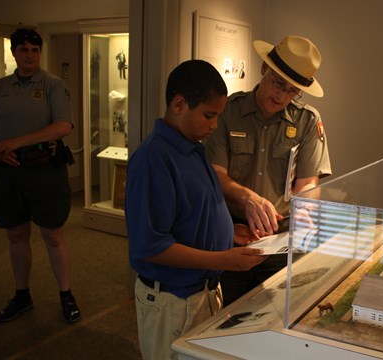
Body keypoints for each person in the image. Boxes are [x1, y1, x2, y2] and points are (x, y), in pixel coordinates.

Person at [125, 59, 266, 360]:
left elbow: (194, 213)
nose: (214, 126)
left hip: (202, 291)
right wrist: (223, 258)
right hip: (173, 299)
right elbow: (150, 246)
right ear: (178, 104)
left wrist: (228, 233)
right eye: (208, 115)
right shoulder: (153, 158)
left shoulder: (191, 147)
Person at [205, 35, 332, 305]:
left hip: (281, 242)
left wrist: (305, 209)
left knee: (273, 317)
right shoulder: (229, 111)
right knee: (225, 318)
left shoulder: (307, 121)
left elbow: (308, 182)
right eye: (278, 84)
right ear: (264, 69)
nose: (282, 96)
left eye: (292, 91)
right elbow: (215, 175)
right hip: (233, 236)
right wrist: (247, 198)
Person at [0, 28, 80, 324]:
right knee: (16, 234)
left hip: (44, 170)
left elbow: (63, 127)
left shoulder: (52, 85)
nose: (30, 55)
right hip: (9, 171)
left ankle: (66, 295)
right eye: (23, 49)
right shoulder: (1, 87)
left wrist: (15, 142)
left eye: (35, 50)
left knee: (53, 235)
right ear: (14, 53)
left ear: (40, 52)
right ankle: (22, 295)